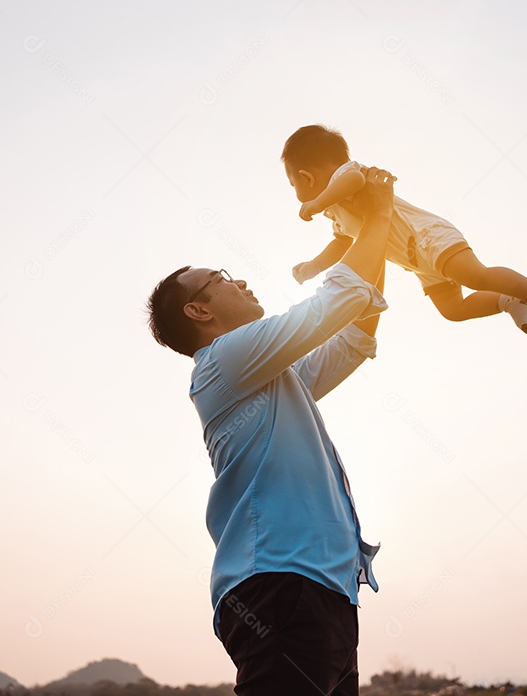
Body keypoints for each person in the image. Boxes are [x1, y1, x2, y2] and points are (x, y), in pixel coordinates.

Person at [146, 166, 397, 695]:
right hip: (279, 585)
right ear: (199, 310)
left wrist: (373, 229)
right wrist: (375, 215)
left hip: (325, 591)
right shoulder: (222, 361)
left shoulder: (272, 376)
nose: (240, 280)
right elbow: (338, 301)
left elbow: (353, 335)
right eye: (222, 279)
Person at [284, 124, 527, 335]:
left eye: (293, 185)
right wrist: (314, 265)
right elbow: (341, 243)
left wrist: (319, 201)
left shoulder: (346, 175)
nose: (297, 192)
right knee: (453, 310)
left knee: (475, 276)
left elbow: (355, 180)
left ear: (306, 177)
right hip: (419, 263)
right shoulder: (336, 214)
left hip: (429, 237)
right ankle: (509, 302)